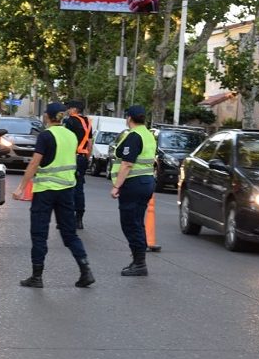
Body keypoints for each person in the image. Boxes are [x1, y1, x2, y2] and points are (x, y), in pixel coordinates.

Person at [11, 102, 95, 288]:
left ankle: (37, 276)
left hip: (45, 191)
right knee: (69, 233)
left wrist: (21, 187)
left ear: (47, 116)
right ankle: (85, 270)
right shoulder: (71, 135)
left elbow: (34, 163)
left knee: (39, 233)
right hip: (66, 191)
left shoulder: (46, 135)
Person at [110, 105, 156, 277]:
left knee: (130, 223)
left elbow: (127, 163)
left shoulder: (134, 136)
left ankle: (139, 263)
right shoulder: (148, 135)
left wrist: (116, 186)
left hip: (134, 184)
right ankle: (138, 260)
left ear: (129, 118)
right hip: (146, 182)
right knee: (137, 221)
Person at [63, 100, 92, 229]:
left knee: (67, 188)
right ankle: (79, 218)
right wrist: (87, 157)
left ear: (74, 109)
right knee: (79, 188)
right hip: (82, 158)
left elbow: (66, 140)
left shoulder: (70, 121)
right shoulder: (87, 122)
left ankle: (68, 218)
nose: (67, 111)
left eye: (69, 108)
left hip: (71, 157)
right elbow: (90, 143)